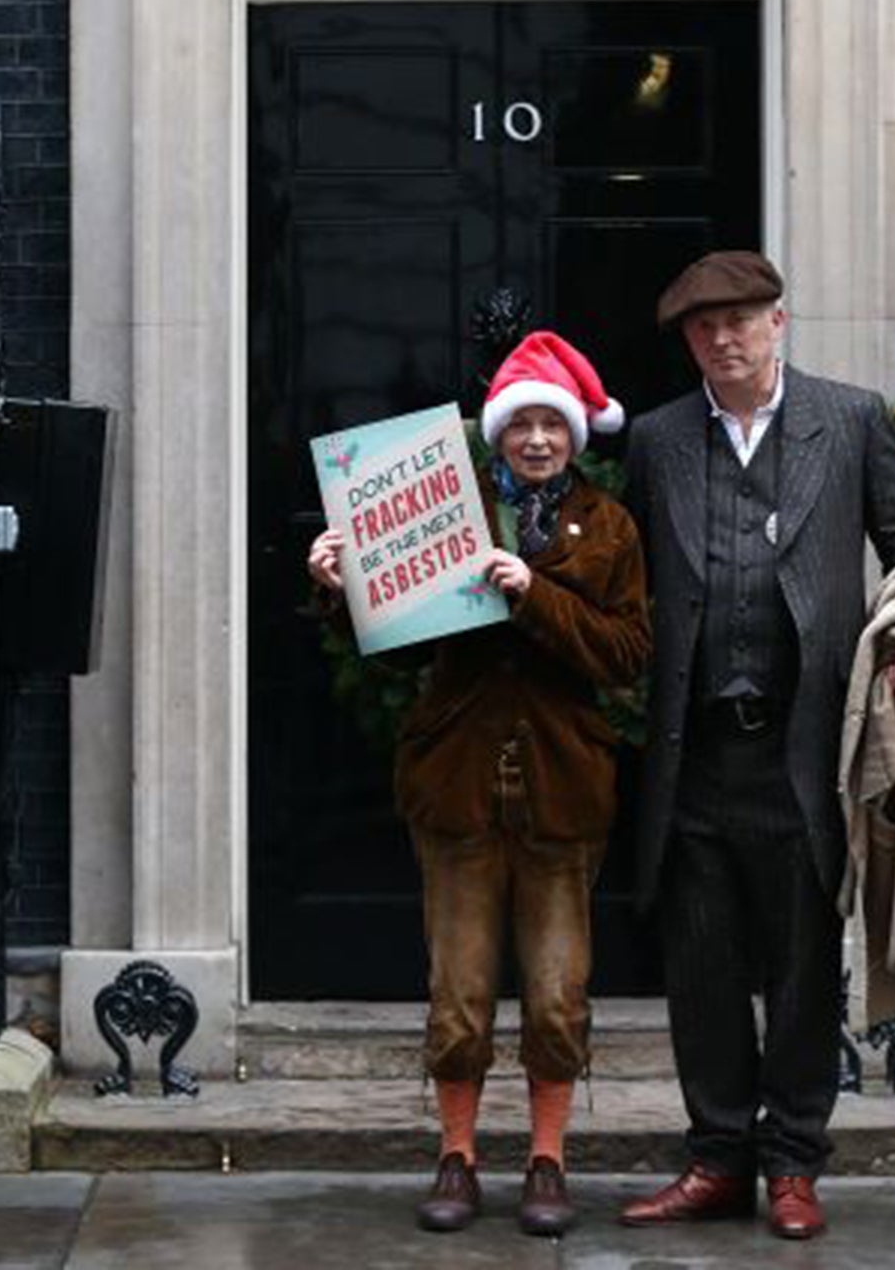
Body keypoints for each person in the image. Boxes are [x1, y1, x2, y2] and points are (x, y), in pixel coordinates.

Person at [617, 251, 895, 1242]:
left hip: (806, 749)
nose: (724, 338)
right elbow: (613, 572)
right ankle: (716, 1159)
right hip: (693, 753)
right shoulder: (655, 440)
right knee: (703, 971)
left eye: (742, 319)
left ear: (778, 322)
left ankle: (792, 1163)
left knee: (805, 971)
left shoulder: (847, 420)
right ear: (687, 341)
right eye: (703, 327)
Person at [307, 332, 650, 1239]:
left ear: (575, 436)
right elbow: (392, 647)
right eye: (521, 424)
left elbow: (626, 656)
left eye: (552, 424)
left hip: (562, 790)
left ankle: (547, 1161)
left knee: (555, 991)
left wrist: (533, 592)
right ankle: (455, 1158)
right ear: (496, 435)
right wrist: (342, 587)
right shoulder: (449, 515)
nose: (537, 439)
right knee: (458, 994)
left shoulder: (608, 529)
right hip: (457, 787)